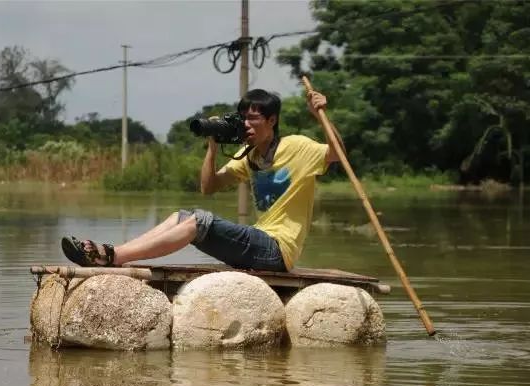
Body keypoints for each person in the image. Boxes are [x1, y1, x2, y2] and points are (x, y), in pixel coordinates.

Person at [61, 88, 342, 272]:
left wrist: (320, 116)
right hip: (260, 242)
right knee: (181, 217)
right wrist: (212, 147)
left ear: (272, 120)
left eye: (253, 118)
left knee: (198, 221)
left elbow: (336, 154)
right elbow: (208, 187)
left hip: (277, 250)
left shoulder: (296, 146)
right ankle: (116, 253)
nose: (246, 125)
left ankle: (112, 256)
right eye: (242, 118)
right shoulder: (249, 156)